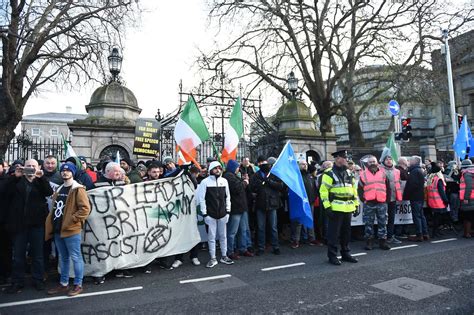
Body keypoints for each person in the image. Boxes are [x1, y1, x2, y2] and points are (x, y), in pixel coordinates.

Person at [4, 159, 54, 293]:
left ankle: (38, 280)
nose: (30, 168)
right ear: (23, 167)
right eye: (28, 166)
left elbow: (48, 192)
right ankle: (17, 281)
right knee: (18, 256)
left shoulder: (40, 181)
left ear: (38, 167)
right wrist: (15, 177)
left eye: (33, 166)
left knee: (38, 255)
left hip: (36, 225)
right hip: (19, 225)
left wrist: (41, 177)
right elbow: (4, 192)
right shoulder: (16, 181)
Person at [45, 162, 91, 296]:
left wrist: (71, 220)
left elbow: (85, 209)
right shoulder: (59, 189)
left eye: (68, 171)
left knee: (76, 257)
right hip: (58, 228)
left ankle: (78, 284)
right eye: (63, 171)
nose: (65, 173)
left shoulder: (78, 189)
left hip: (71, 230)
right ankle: (63, 284)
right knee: (63, 258)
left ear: (73, 173)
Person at [319, 150, 359, 265]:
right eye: (344, 157)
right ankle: (332, 256)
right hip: (335, 208)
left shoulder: (349, 173)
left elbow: (353, 190)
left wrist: (356, 205)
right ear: (337, 159)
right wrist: (327, 207)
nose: (347, 159)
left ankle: (345, 254)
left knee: (346, 233)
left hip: (348, 208)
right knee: (333, 234)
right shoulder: (328, 173)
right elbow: (323, 191)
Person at [198, 161, 233, 268]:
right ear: (211, 169)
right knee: (211, 237)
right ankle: (212, 258)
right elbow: (201, 199)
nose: (218, 170)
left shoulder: (224, 181)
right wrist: (205, 214)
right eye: (215, 168)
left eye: (219, 168)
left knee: (223, 236)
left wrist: (227, 211)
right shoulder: (205, 182)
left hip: (223, 213)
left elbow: (228, 197)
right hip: (210, 214)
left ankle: (224, 256)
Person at [249, 160, 285, 256]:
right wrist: (260, 184)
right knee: (261, 227)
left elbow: (280, 186)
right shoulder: (256, 175)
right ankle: (261, 247)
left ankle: (275, 246)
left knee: (273, 227)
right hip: (260, 204)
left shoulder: (273, 174)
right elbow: (252, 187)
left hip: (272, 204)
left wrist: (269, 181)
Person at [358, 155, 391, 250]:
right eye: (370, 162)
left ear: (377, 163)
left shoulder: (383, 173)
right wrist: (363, 199)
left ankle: (382, 241)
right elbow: (359, 189)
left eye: (374, 161)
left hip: (382, 202)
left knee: (383, 222)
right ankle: (369, 242)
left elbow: (388, 187)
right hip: (369, 203)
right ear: (367, 164)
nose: (372, 163)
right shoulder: (363, 174)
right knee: (368, 223)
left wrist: (387, 199)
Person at [222, 159, 249, 260]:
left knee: (243, 230)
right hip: (235, 207)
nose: (238, 169)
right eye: (237, 167)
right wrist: (245, 182)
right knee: (232, 231)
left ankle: (243, 248)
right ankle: (230, 251)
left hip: (241, 207)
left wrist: (243, 180)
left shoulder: (233, 176)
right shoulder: (228, 176)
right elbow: (237, 188)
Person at [291, 159, 318, 248]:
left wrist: (313, 199)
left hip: (310, 202)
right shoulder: (296, 176)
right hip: (299, 203)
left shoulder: (310, 176)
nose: (305, 165)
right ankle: (296, 240)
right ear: (298, 165)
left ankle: (312, 239)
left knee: (310, 220)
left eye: (306, 164)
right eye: (302, 164)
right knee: (298, 222)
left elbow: (314, 189)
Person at [404, 156, 429, 242]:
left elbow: (412, 185)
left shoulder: (414, 171)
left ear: (414, 161)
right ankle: (425, 233)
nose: (409, 161)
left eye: (410, 160)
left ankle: (419, 234)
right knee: (421, 215)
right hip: (420, 196)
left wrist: (406, 194)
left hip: (415, 196)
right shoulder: (419, 170)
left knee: (417, 216)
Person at [380, 155, 403, 244]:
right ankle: (382, 237)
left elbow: (399, 182)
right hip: (383, 197)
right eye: (387, 159)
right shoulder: (380, 170)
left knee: (391, 218)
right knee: (383, 218)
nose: (389, 161)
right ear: (383, 161)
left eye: (390, 159)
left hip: (393, 197)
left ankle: (390, 236)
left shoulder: (397, 171)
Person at [426, 162, 449, 238]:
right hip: (439, 202)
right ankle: (435, 233)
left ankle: (435, 232)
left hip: (432, 201)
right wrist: (445, 200)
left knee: (435, 218)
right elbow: (441, 191)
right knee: (438, 219)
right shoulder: (438, 179)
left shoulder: (431, 178)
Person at [459, 159, 474, 238]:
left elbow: (469, 186)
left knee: (467, 216)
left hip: (469, 198)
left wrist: (466, 198)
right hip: (472, 197)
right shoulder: (471, 173)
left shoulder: (467, 174)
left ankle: (467, 233)